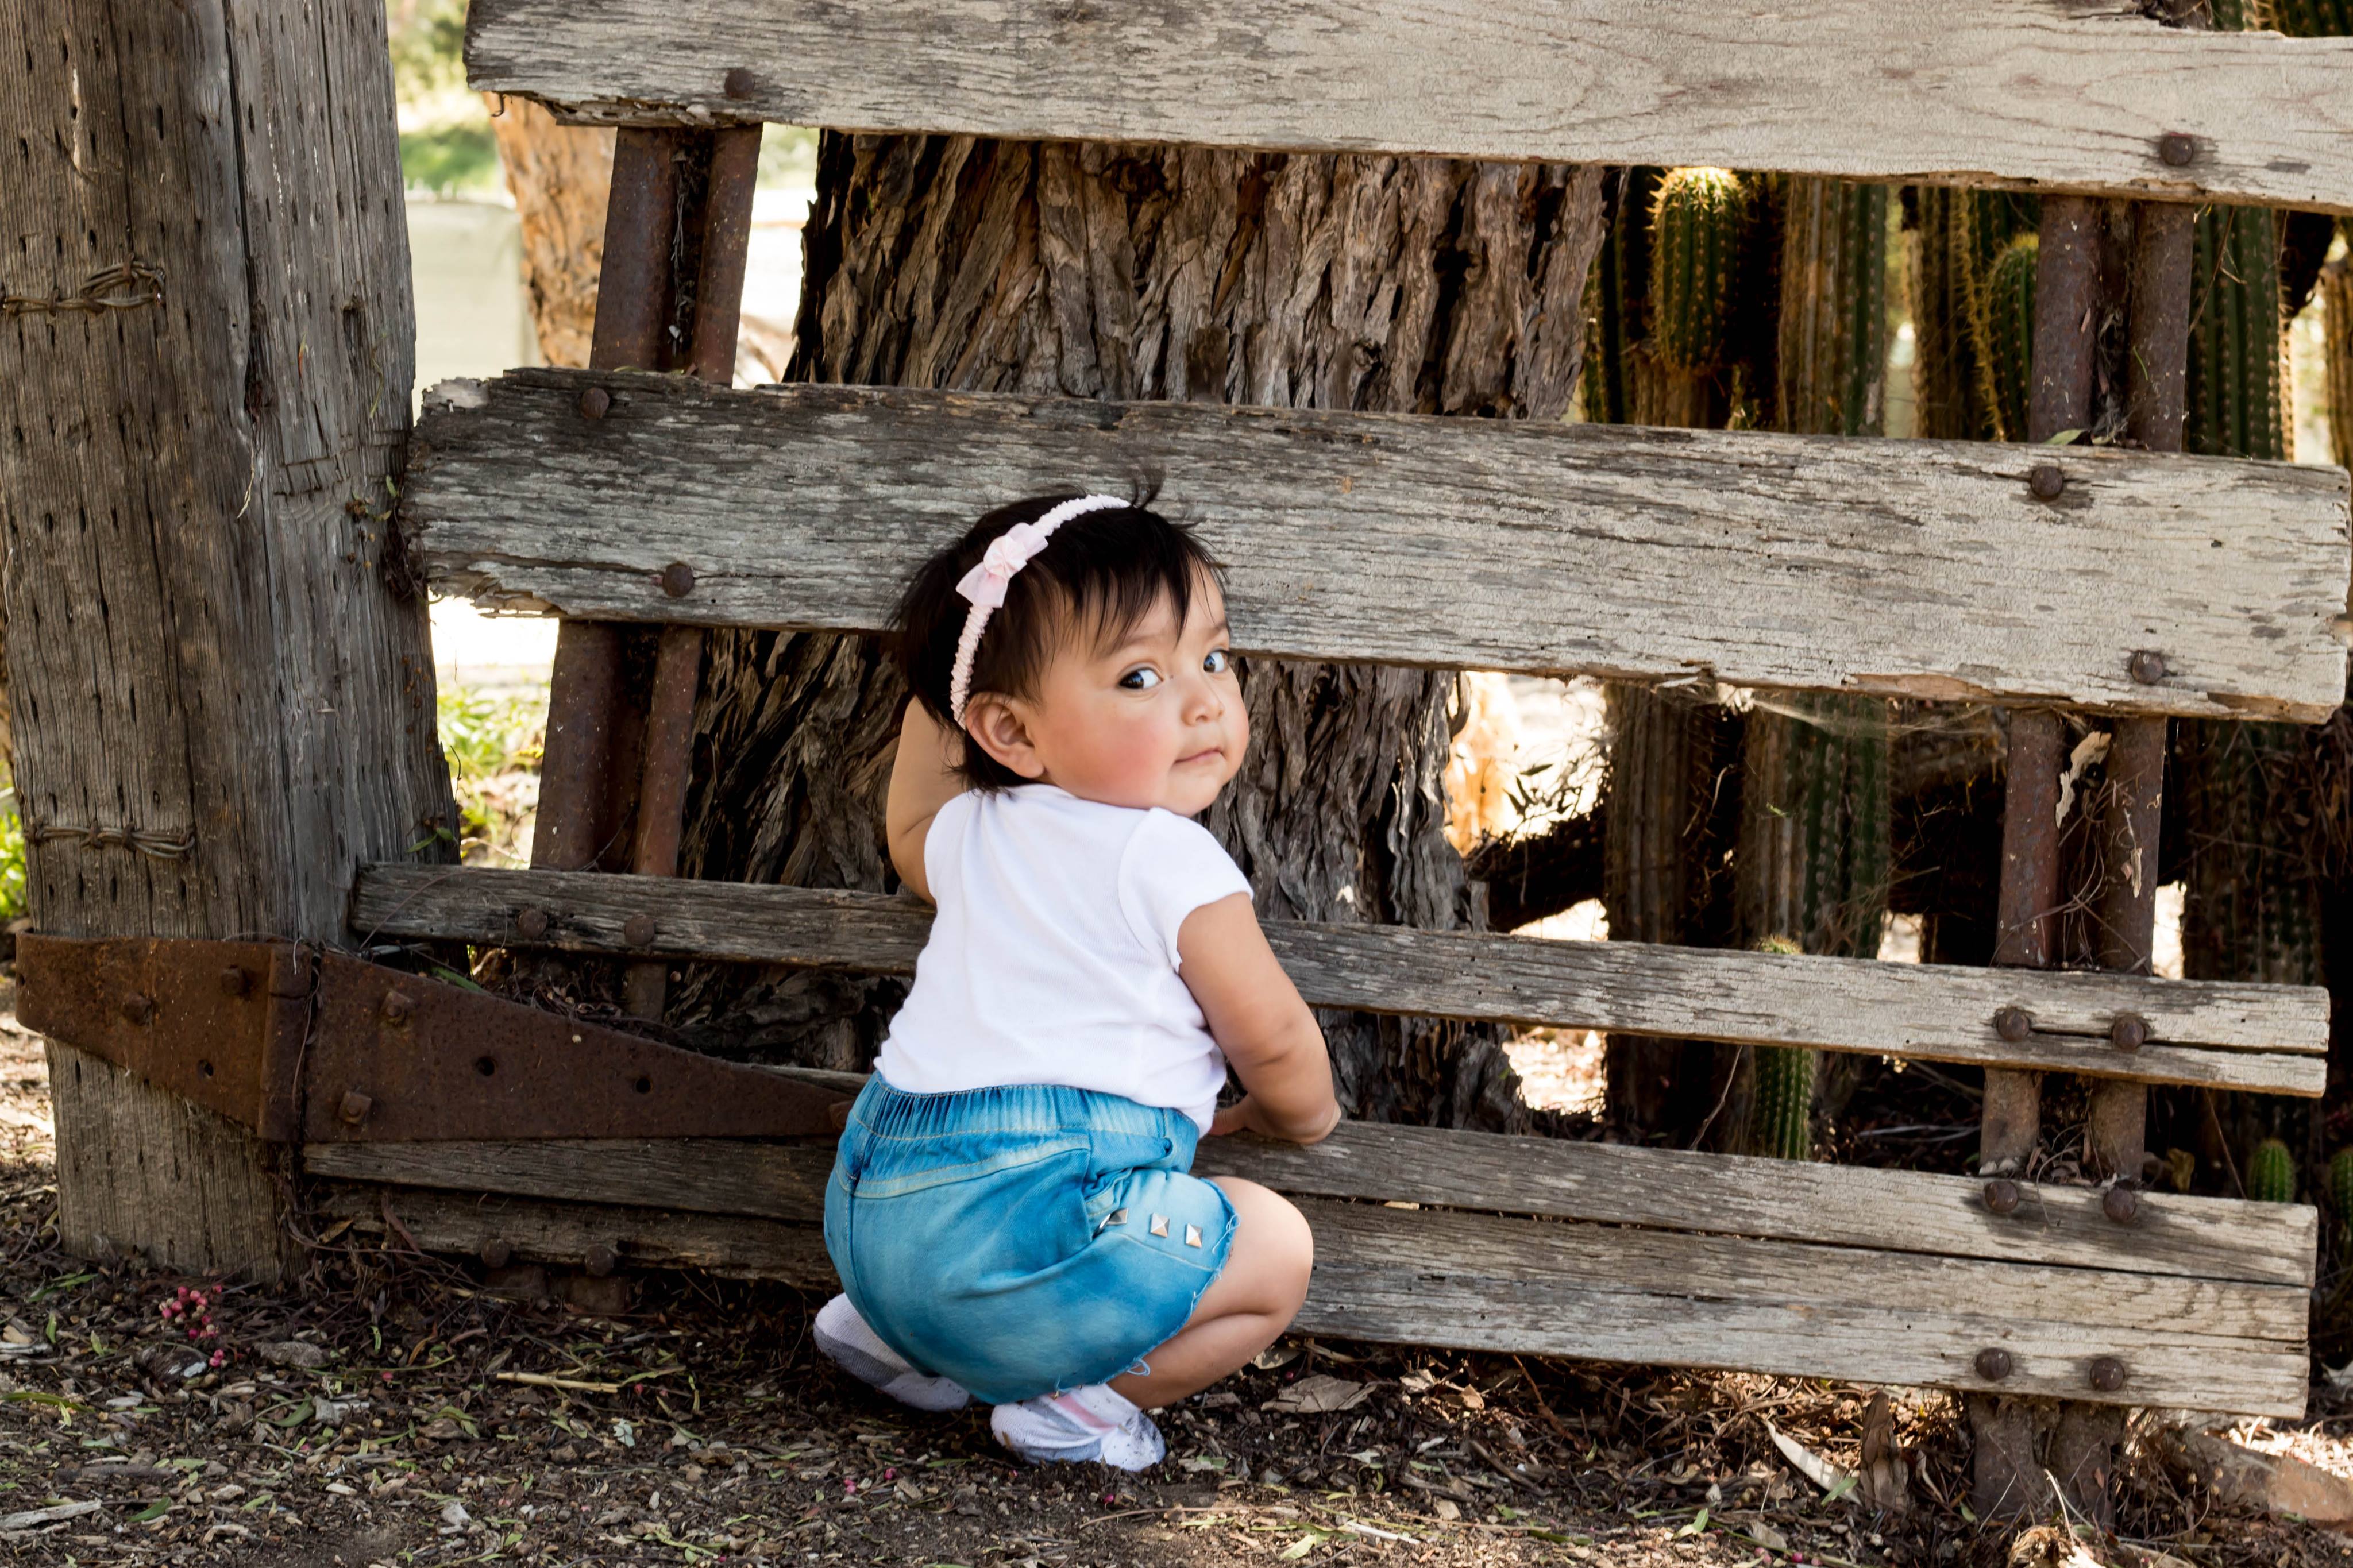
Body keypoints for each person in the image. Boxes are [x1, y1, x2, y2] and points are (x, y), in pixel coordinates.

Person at [811, 490, 1341, 1470]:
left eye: (1214, 658)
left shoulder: (974, 833)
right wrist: (1296, 1118)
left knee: (946, 1266)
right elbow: (1269, 1037)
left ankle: (897, 1338)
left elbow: (910, 827)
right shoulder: (1171, 861)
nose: (1203, 701)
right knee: (1277, 1251)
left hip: (870, 1229)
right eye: (1141, 675)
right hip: (1027, 1237)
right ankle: (1078, 1404)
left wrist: (955, 684)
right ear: (1010, 733)